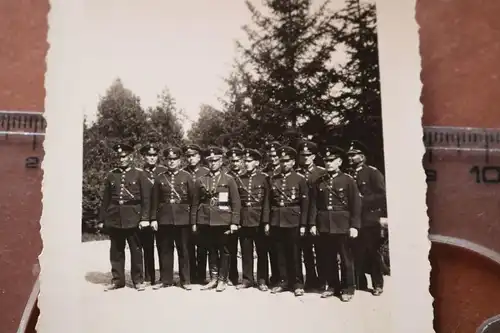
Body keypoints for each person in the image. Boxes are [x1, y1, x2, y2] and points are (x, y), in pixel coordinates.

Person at [308, 145, 361, 302]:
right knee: (327, 257)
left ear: (339, 162)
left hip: (342, 224)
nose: (328, 163)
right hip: (324, 224)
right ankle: (332, 286)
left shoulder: (348, 180)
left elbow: (356, 204)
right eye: (326, 160)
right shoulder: (320, 181)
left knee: (345, 258)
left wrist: (354, 226)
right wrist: (312, 223)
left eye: (332, 160)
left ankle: (348, 288)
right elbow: (314, 204)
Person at [97, 143, 149, 292]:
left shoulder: (139, 174)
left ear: (131, 157)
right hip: (115, 217)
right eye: (119, 157)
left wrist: (144, 218)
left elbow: (146, 199)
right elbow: (106, 199)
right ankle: (118, 280)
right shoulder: (112, 175)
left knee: (136, 250)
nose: (122, 159)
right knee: (116, 251)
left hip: (133, 216)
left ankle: (138, 280)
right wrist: (101, 219)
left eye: (124, 156)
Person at [194, 146, 241, 292]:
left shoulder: (229, 179)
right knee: (211, 249)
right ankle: (213, 278)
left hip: (223, 219)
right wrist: (194, 222)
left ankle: (222, 279)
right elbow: (196, 202)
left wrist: (234, 222)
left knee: (224, 250)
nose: (213, 163)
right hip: (206, 219)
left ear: (221, 161)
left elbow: (235, 202)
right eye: (210, 161)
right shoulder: (201, 180)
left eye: (216, 160)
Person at [150, 146, 197, 291]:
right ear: (165, 160)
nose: (172, 162)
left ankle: (185, 280)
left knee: (184, 250)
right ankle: (166, 279)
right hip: (164, 218)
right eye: (169, 159)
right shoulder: (159, 178)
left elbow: (193, 200)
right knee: (165, 249)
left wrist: (192, 220)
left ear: (180, 160)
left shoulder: (187, 177)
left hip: (183, 218)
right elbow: (155, 201)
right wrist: (153, 219)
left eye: (175, 159)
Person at [347, 140, 387, 296]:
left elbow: (381, 195)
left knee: (372, 252)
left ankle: (377, 284)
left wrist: (362, 200)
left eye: (353, 155)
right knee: (357, 251)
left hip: (369, 219)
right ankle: (360, 282)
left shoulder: (372, 172)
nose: (350, 158)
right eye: (349, 155)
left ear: (362, 157)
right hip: (354, 220)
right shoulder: (349, 173)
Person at [269, 146, 309, 297]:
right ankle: (283, 281)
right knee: (280, 253)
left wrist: (303, 224)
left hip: (294, 220)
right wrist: (268, 221)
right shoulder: (275, 179)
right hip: (277, 220)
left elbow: (305, 204)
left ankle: (298, 283)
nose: (283, 164)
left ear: (293, 162)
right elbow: (269, 201)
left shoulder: (300, 179)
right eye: (281, 161)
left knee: (294, 253)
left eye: (286, 161)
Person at [235, 148, 271, 291]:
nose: (246, 164)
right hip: (244, 218)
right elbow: (237, 202)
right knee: (246, 250)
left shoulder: (265, 178)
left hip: (259, 218)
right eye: (245, 161)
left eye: (249, 161)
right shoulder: (240, 178)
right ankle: (247, 279)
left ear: (256, 162)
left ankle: (262, 279)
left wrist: (266, 221)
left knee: (262, 251)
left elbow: (267, 201)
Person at [296, 140, 326, 290]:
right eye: (302, 155)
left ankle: (322, 280)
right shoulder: (296, 172)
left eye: (308, 155)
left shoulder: (322, 172)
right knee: (305, 250)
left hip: (317, 217)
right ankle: (310, 279)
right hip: (301, 217)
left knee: (320, 250)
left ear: (313, 156)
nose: (305, 158)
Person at [138, 143, 167, 286]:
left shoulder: (164, 171)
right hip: (144, 215)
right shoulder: (139, 172)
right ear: (144, 157)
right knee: (147, 246)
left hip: (160, 215)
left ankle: (164, 277)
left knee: (162, 246)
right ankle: (149, 277)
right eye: (149, 155)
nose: (151, 158)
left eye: (154, 155)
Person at [182, 144, 210, 284]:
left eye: (193, 156)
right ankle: (191, 274)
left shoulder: (206, 171)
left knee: (203, 245)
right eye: (188, 156)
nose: (191, 159)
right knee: (188, 245)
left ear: (199, 157)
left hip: (202, 212)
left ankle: (201, 275)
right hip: (186, 213)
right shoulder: (183, 172)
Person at [261, 141, 281, 286]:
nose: (273, 159)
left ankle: (279, 277)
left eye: (275, 156)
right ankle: (268, 278)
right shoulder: (265, 173)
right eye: (270, 156)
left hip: (281, 215)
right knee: (266, 247)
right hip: (266, 214)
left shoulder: (284, 172)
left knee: (279, 250)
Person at [225, 146, 246, 286]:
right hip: (230, 216)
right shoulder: (226, 176)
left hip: (247, 216)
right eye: (232, 161)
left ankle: (247, 278)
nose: (235, 163)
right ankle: (232, 276)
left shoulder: (247, 175)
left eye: (237, 160)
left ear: (242, 161)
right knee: (230, 248)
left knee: (246, 249)